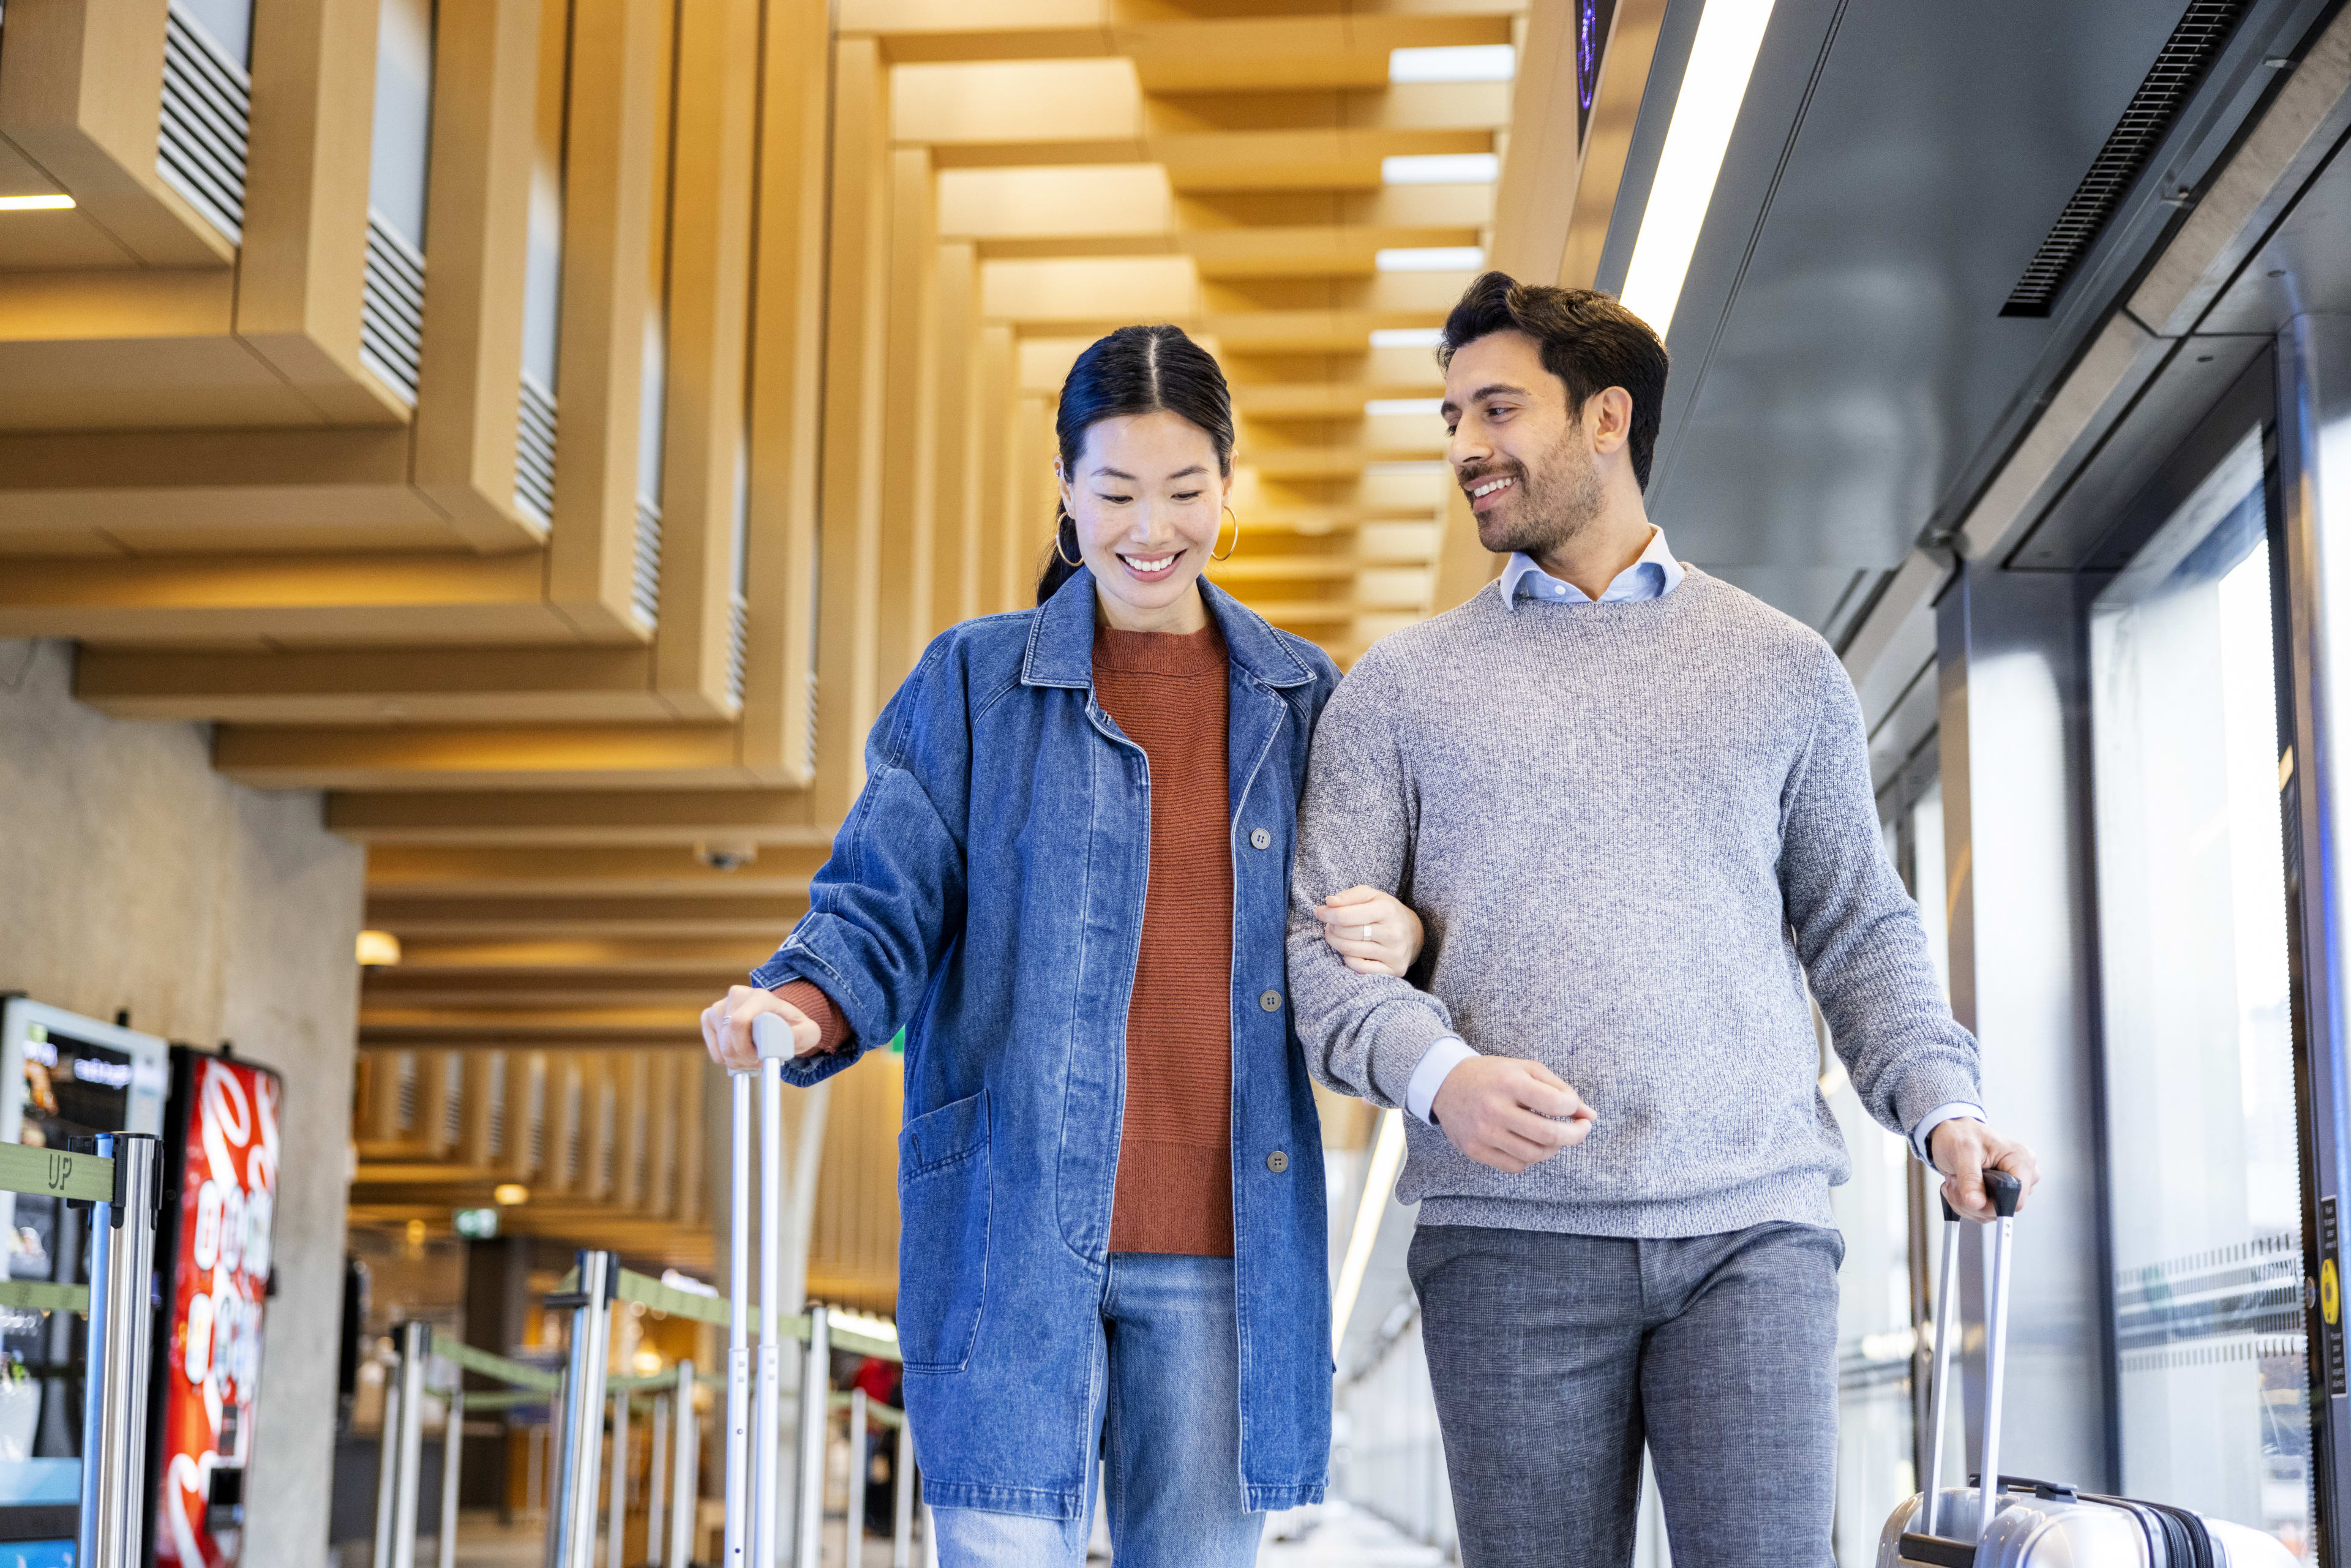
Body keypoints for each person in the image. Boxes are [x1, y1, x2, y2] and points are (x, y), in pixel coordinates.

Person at [1283, 272, 2043, 1568]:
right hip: (1508, 1243)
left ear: (1606, 418)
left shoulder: (1785, 668)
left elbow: (1858, 925)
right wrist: (1439, 1077)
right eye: (1452, 413)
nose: (1466, 446)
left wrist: (1942, 1106)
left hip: (1755, 1227)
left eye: (1498, 408)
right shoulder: (1400, 690)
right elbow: (1318, 951)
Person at [699, 323, 1425, 1568]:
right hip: (1013, 1225)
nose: (1154, 529)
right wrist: (804, 999)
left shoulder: (1304, 699)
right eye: (1118, 493)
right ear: (1065, 494)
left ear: (1229, 486)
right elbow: (885, 898)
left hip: (1225, 1252)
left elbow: (1362, 907)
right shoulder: (974, 685)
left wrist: (1403, 926)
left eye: (1187, 492)